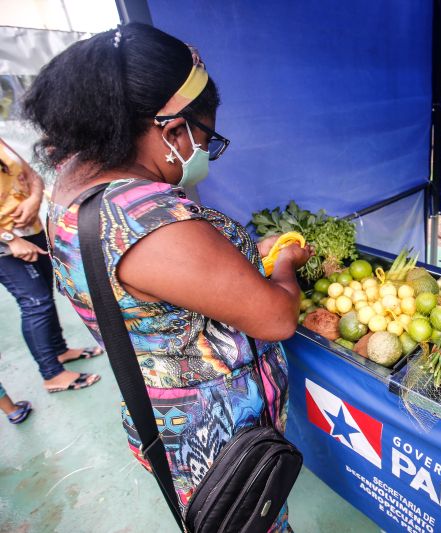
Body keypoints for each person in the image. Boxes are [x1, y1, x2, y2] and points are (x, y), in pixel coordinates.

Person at [24, 23, 311, 530]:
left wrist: (237, 255)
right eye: (207, 139)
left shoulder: (72, 183)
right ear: (173, 131)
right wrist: (285, 262)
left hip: (160, 413)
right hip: (218, 441)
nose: (205, 153)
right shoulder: (148, 220)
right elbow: (277, 317)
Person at [0, 137, 103, 393]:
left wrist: (34, 199)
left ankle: (59, 350)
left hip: (30, 229)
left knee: (45, 294)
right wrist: (9, 239)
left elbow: (31, 174)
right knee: (35, 302)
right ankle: (52, 374)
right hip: (8, 242)